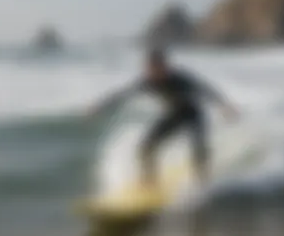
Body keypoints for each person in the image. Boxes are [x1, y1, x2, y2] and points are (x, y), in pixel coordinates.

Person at [90, 49, 239, 186]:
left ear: (165, 67)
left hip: (193, 114)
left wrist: (223, 105)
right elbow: (122, 94)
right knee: (145, 148)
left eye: (157, 68)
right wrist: (100, 106)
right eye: (150, 69)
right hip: (174, 115)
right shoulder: (147, 82)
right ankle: (150, 182)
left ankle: (203, 182)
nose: (153, 72)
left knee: (198, 151)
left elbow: (205, 89)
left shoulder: (181, 79)